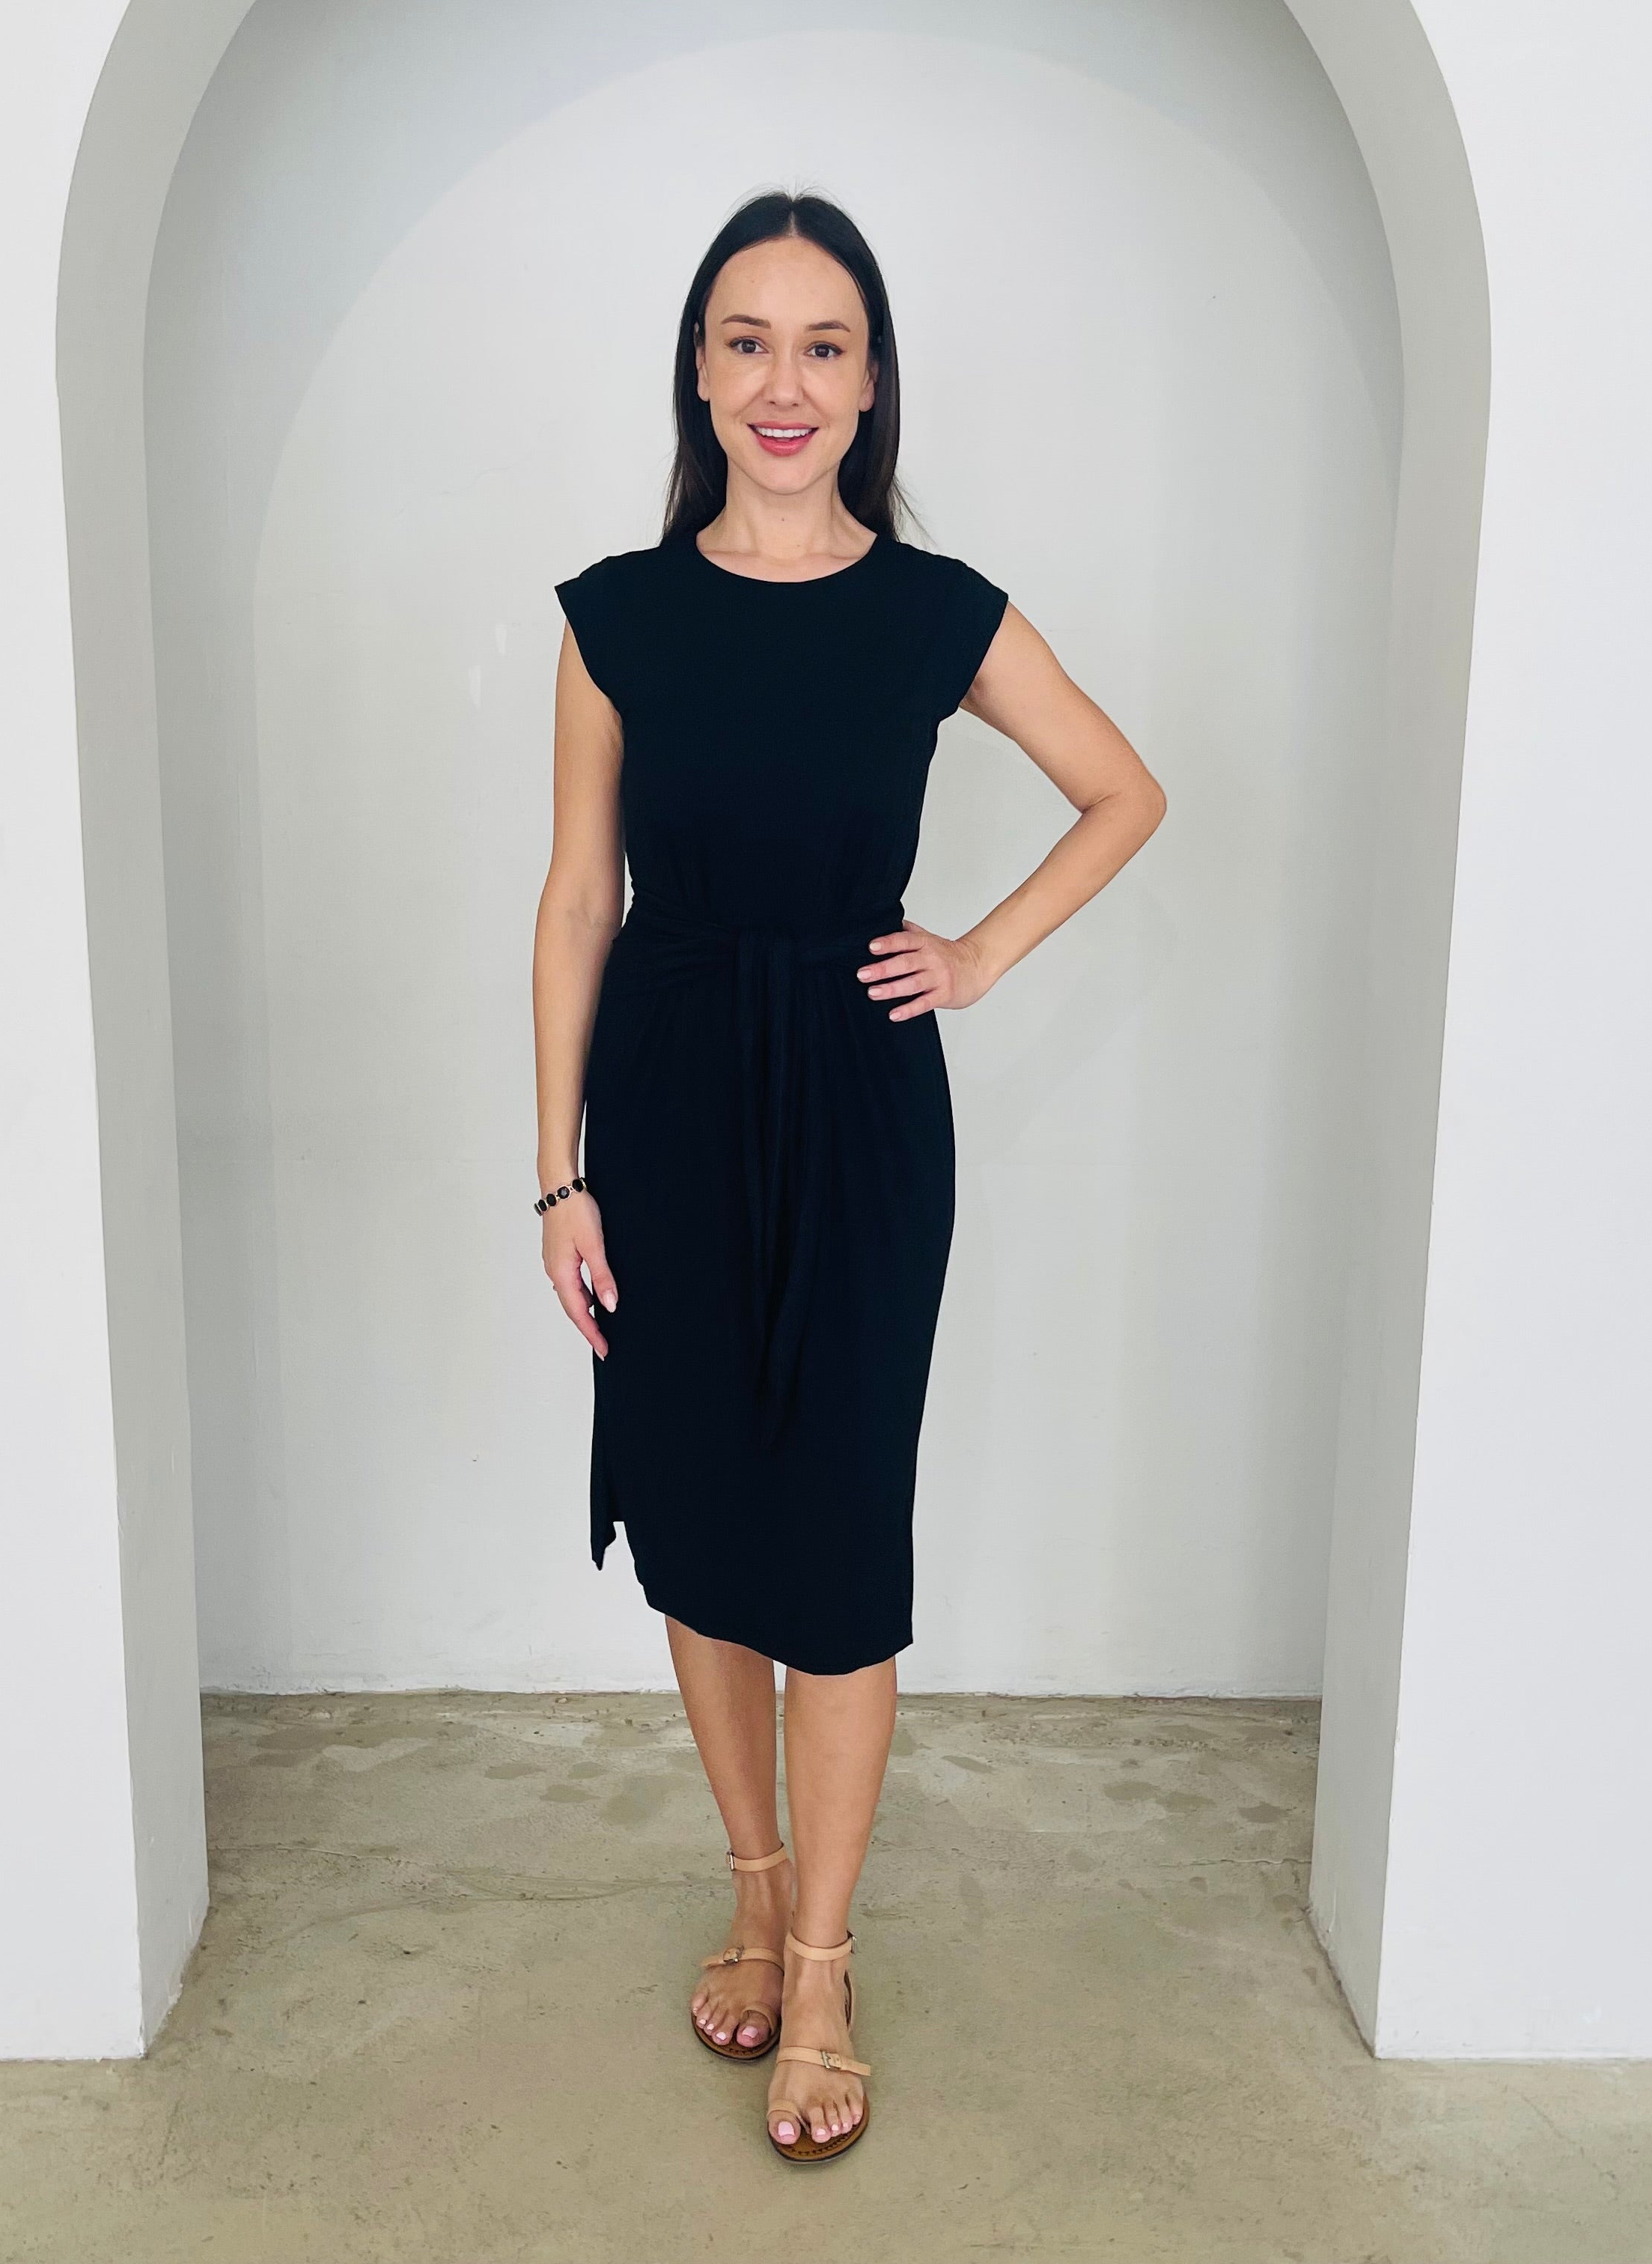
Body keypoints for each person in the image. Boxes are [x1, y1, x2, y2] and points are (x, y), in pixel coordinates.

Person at [531, 189, 1165, 2161]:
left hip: (865, 1110)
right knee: (702, 1507)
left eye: (823, 343)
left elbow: (1125, 788)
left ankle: (822, 1975)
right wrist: (556, 1175)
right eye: (746, 340)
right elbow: (574, 900)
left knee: (839, 1537)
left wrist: (972, 953)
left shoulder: (934, 612)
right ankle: (748, 1883)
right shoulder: (615, 618)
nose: (782, 382)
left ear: (871, 377)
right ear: (698, 372)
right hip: (663, 1100)